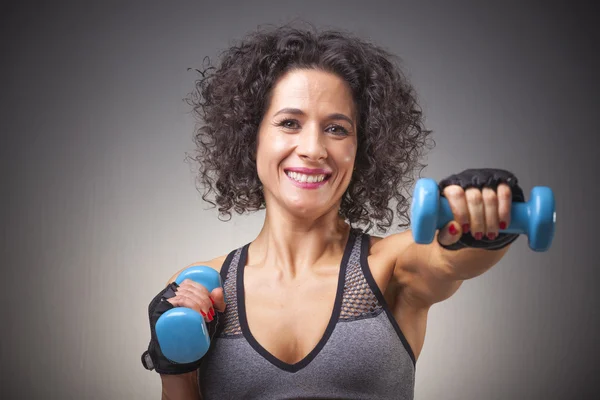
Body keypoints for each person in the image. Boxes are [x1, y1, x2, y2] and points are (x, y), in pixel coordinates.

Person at [142, 23, 524, 399]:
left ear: (362, 149)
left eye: (337, 129)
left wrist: (483, 223)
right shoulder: (204, 289)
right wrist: (173, 367)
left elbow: (450, 259)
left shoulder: (390, 266)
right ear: (251, 138)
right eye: (290, 123)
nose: (313, 148)